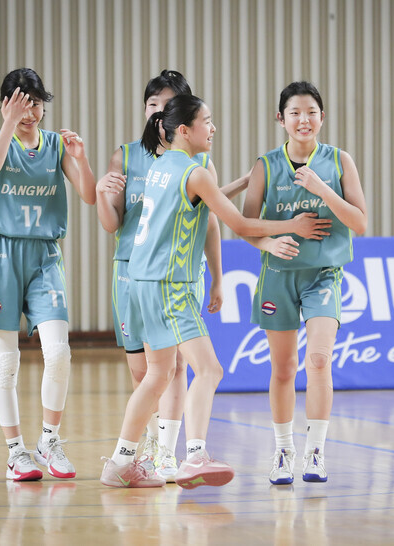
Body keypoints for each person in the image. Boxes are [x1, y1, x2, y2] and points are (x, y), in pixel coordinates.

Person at [99, 94, 331, 488]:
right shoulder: (195, 172)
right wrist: (291, 225)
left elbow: (204, 200)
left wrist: (244, 181)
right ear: (184, 129)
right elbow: (239, 224)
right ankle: (194, 456)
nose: (213, 128)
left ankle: (119, 463)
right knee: (209, 369)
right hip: (170, 286)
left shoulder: (159, 165)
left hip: (139, 283)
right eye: (206, 121)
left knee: (157, 375)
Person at [96, 70, 248, 482]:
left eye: (168, 104)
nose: (160, 111)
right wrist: (99, 193)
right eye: (153, 104)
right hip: (150, 276)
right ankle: (173, 454)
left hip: (165, 277)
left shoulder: (181, 162)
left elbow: (207, 212)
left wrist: (216, 276)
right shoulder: (133, 157)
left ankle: (152, 457)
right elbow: (228, 217)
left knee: (169, 370)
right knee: (164, 372)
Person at [0, 68, 96, 481]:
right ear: (6, 105)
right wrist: (9, 123)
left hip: (45, 254)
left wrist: (81, 158)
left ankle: (50, 440)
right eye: (21, 104)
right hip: (1, 254)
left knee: (58, 352)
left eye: (36, 104)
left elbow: (90, 195)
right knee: (7, 361)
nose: (30, 112)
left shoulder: (56, 145)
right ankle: (15, 453)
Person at [241, 81, 367, 484]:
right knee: (283, 368)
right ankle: (283, 450)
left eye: (311, 111)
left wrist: (321, 188)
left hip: (323, 275)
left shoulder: (340, 161)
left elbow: (360, 223)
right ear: (281, 119)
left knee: (319, 360)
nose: (303, 119)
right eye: (295, 112)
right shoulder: (265, 165)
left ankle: (316, 452)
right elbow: (244, 225)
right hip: (278, 276)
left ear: (322, 117)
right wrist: (270, 241)